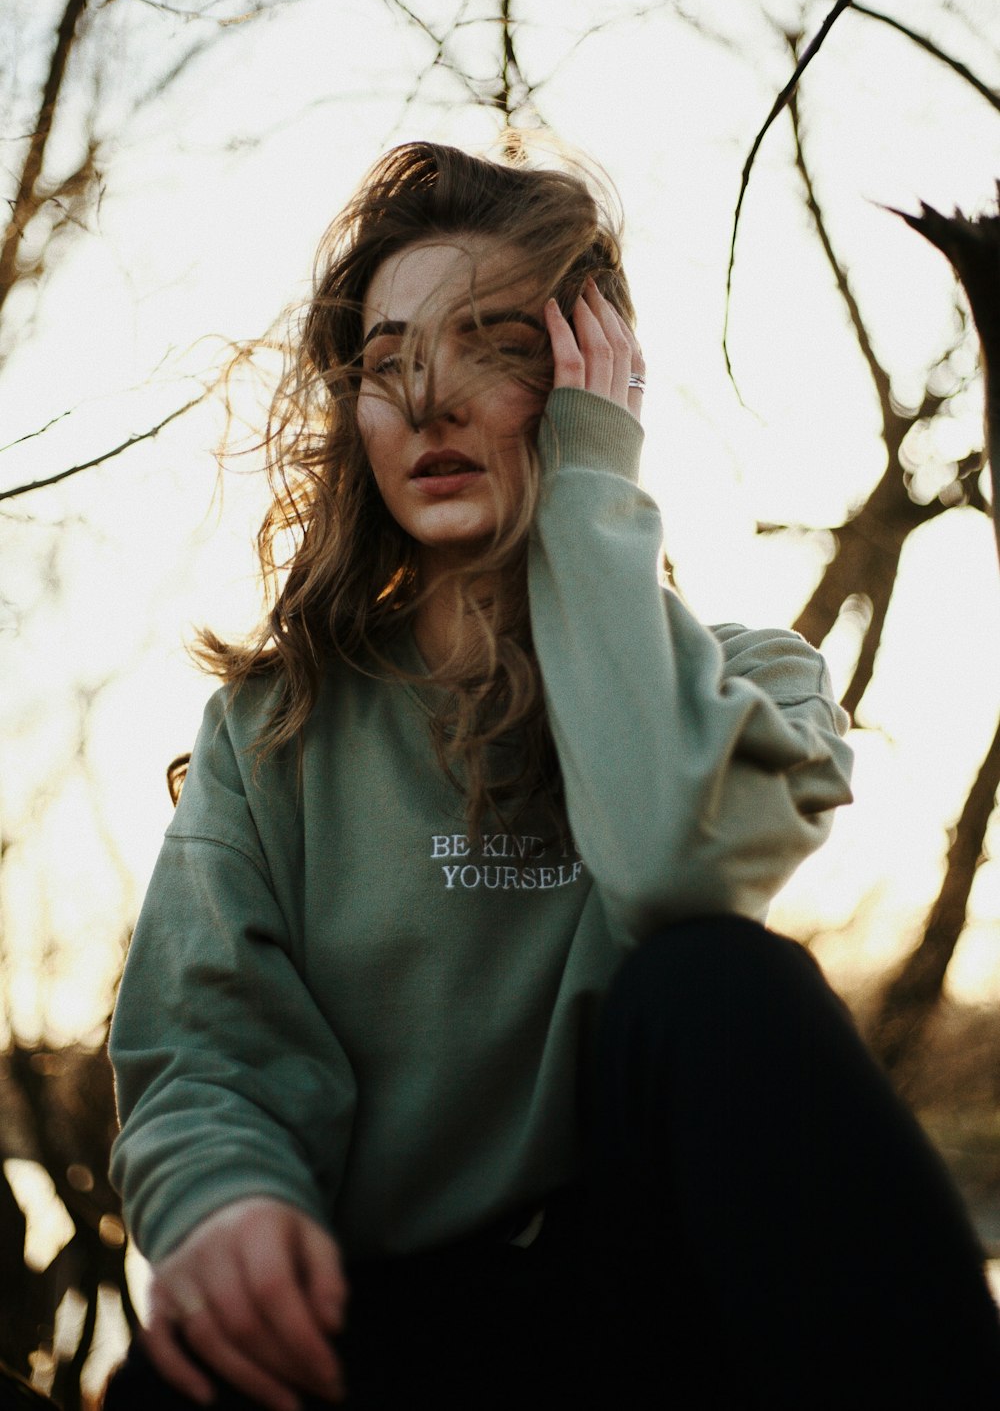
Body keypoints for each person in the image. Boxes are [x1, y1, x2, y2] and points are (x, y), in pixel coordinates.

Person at [105, 139, 1000, 1411]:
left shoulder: (756, 687)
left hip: (643, 1330)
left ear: (594, 373)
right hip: (361, 1328)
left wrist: (589, 483)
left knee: (721, 980)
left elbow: (670, 871)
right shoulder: (272, 727)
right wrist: (225, 1204)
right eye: (389, 358)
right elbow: (206, 1049)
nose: (427, 403)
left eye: (491, 341)